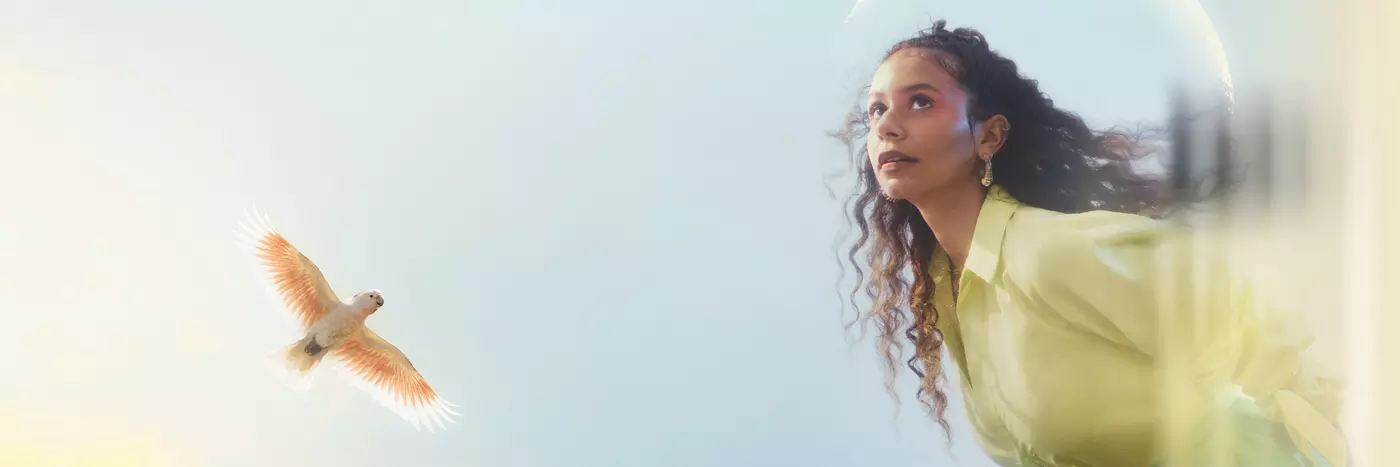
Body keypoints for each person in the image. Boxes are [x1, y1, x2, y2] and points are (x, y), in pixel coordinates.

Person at [833, 20, 1347, 467]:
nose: (888, 127)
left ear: (989, 137)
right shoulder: (951, 294)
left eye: (920, 101)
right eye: (876, 110)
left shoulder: (1050, 254)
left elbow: (1272, 348)